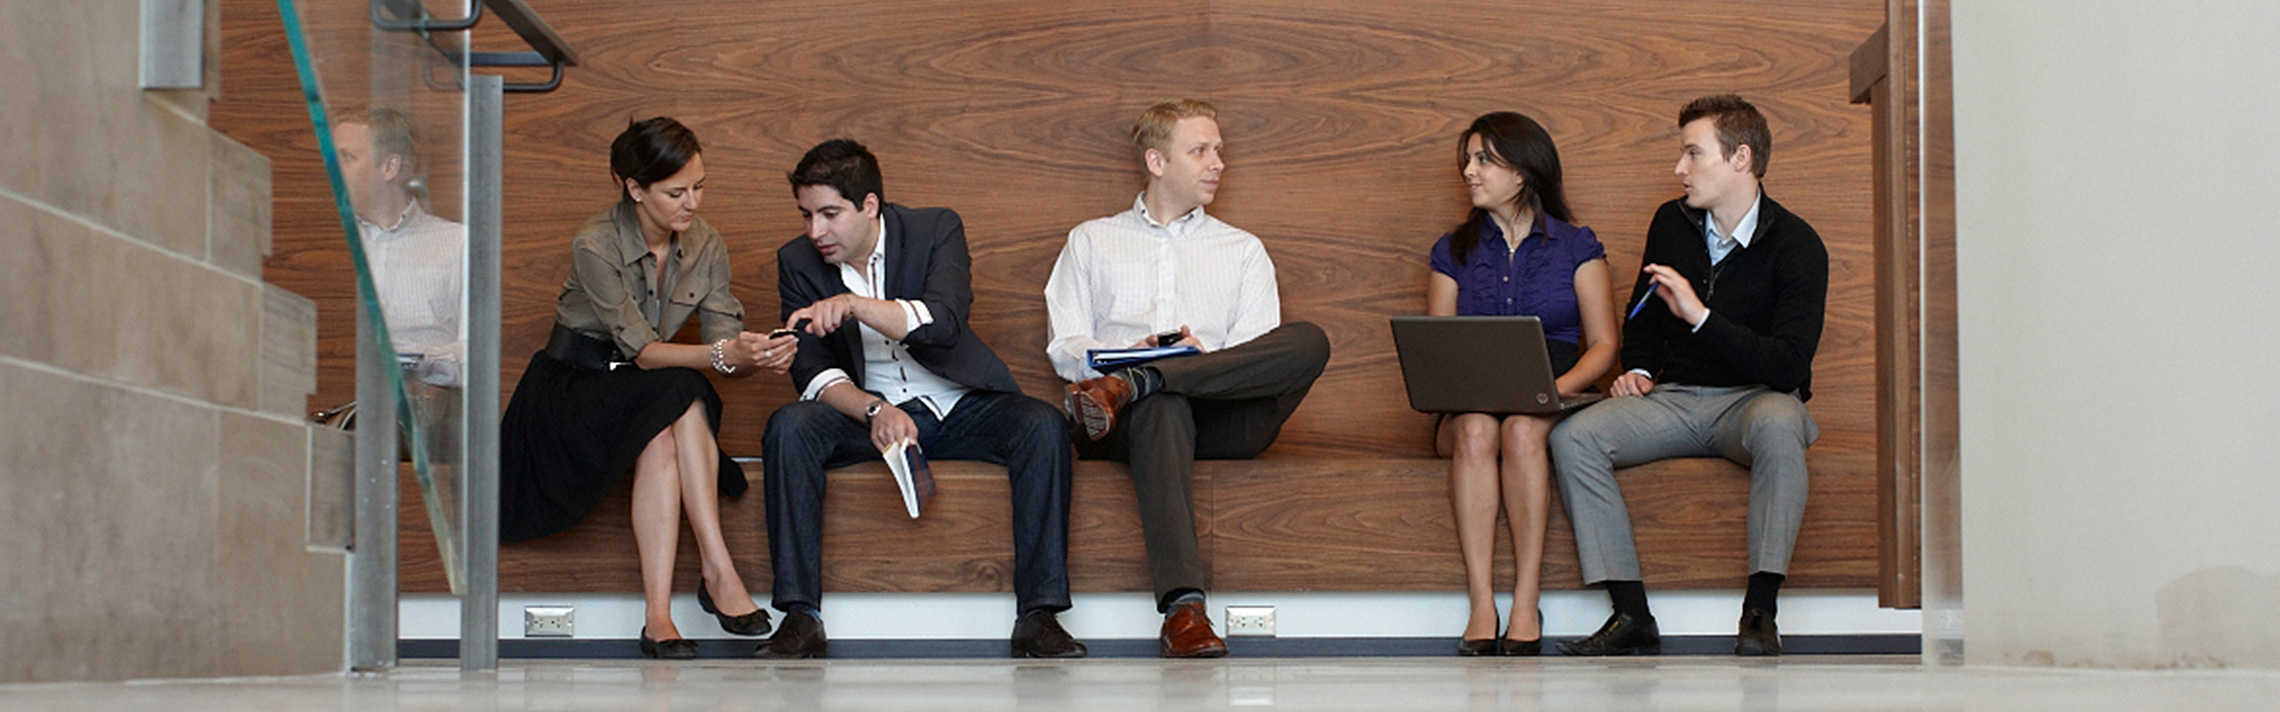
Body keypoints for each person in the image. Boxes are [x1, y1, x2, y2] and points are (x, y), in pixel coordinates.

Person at [759, 139, 1087, 660]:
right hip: (869, 414)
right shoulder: (796, 261)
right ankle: (800, 616)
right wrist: (874, 409)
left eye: (829, 214)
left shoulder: (935, 230)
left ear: (869, 205)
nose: (814, 232)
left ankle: (1039, 617)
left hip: (957, 405)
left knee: (1042, 426)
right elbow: (813, 371)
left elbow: (942, 321)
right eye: (806, 215)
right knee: (789, 427)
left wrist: (853, 306)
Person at [1047, 99, 1332, 658]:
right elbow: (1065, 348)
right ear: (1157, 161)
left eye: (1219, 150)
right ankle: (1184, 611)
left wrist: (1194, 361)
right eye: (1200, 150)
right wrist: (1125, 356)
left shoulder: (1242, 249)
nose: (1217, 163)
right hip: (1118, 418)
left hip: (1224, 416)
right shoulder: (1091, 240)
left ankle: (1149, 379)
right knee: (1162, 406)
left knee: (1310, 339)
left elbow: (1259, 362)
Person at [497, 117, 789, 659]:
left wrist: (756, 355)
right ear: (635, 189)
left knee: (665, 421)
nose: (692, 204)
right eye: (676, 192)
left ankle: (658, 618)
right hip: (572, 388)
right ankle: (718, 569)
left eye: (699, 186)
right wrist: (723, 356)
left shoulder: (707, 244)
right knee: (680, 389)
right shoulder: (595, 243)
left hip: (644, 392)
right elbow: (645, 351)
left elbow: (724, 351)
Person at [1549, 95, 1828, 657]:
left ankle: (1760, 612)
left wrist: (1700, 316)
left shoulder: (1799, 246)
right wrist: (1640, 369)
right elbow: (1644, 317)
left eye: (1693, 154)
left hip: (1754, 400)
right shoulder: (1670, 222)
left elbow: (1788, 367)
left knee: (1780, 423)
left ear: (1740, 158)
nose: (1680, 169)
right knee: (1573, 437)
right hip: (1673, 399)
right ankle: (1630, 615)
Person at [1424, 112, 1618, 656]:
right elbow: (1436, 347)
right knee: (1480, 431)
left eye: (1484, 159)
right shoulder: (1452, 250)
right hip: (1470, 404)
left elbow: (1604, 347)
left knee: (1524, 433)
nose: (1469, 170)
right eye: (1468, 159)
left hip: (1553, 394)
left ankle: (1527, 599)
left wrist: (1552, 392)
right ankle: (1482, 603)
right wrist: (1465, 396)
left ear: (1524, 171)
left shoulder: (1577, 246)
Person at [337, 108, 465, 471]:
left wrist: (414, 358)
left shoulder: (458, 244)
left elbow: (479, 358)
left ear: (390, 167)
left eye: (346, 158)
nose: (333, 169)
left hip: (426, 435)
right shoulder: (321, 244)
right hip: (335, 423)